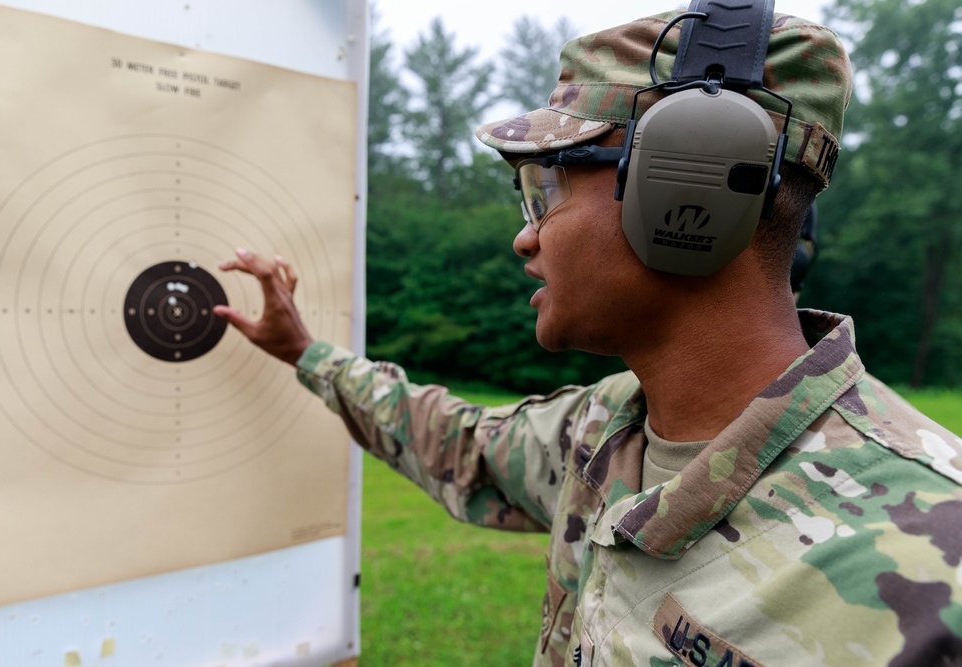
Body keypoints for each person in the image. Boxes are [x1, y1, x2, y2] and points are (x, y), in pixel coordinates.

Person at [214, 4, 962, 666]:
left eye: (544, 190)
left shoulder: (938, 566)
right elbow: (452, 438)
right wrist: (302, 350)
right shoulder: (600, 434)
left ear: (687, 183)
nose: (524, 239)